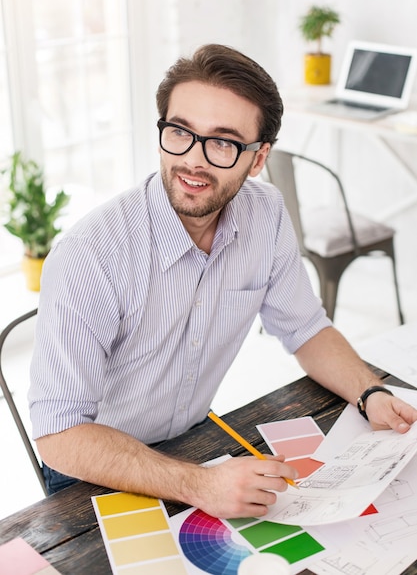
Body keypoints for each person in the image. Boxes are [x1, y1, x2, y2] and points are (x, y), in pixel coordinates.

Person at [29, 43, 417, 519]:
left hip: (192, 445)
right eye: (180, 132)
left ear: (257, 159)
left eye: (223, 142)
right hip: (93, 471)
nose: (193, 160)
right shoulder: (91, 255)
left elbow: (306, 327)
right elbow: (59, 434)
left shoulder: (266, 213)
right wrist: (199, 485)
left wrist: (370, 391)